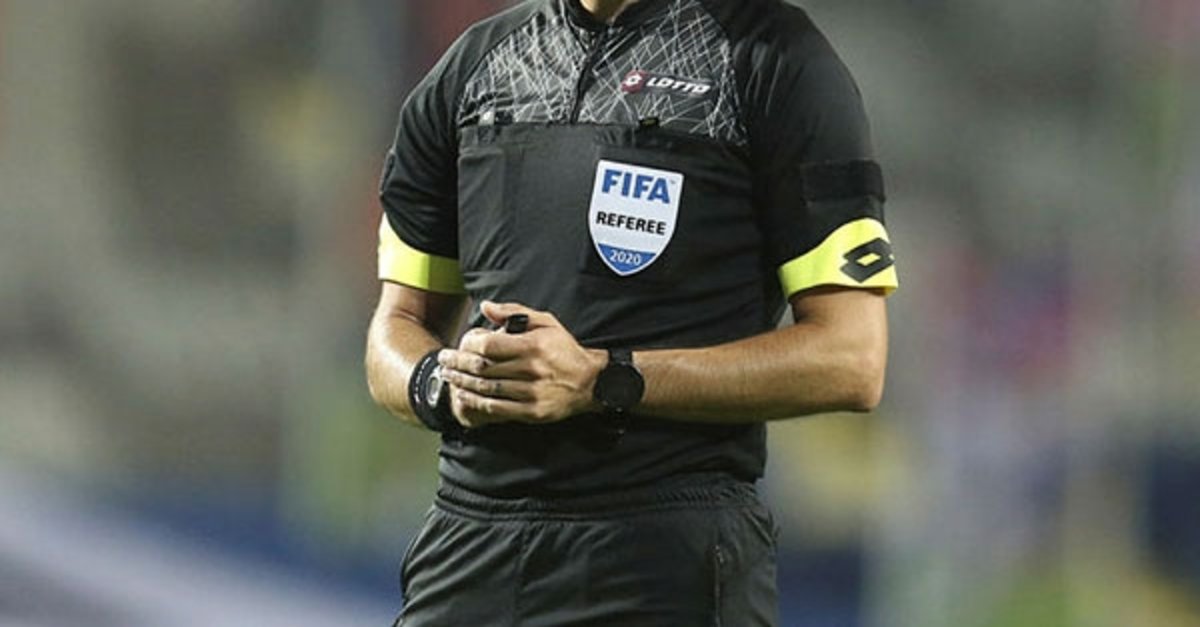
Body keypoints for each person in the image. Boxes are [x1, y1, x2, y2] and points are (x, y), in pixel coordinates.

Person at [365, 0, 898, 623]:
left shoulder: (774, 60)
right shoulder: (473, 67)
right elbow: (394, 330)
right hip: (469, 552)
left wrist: (603, 378)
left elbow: (851, 359)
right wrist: (442, 383)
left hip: (661, 557)